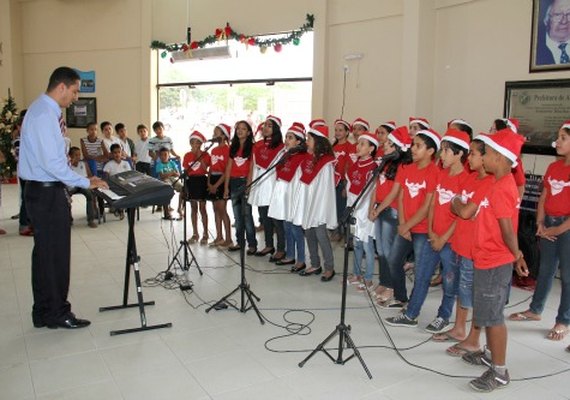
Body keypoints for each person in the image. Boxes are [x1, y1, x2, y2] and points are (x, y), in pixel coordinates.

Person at [18, 66, 108, 329]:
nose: (76, 97)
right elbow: (52, 164)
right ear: (61, 87)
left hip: (40, 190)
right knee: (56, 256)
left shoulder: (40, 110)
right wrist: (84, 182)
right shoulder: (45, 115)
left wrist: (80, 179)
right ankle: (58, 312)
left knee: (44, 255)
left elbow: (53, 161)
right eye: (75, 91)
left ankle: (43, 311)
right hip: (46, 193)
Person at [461, 128, 526, 393]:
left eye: (485, 153)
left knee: (494, 316)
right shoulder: (497, 183)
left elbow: (507, 229)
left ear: (499, 158)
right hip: (486, 256)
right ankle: (489, 354)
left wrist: (518, 255)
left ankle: (499, 372)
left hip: (495, 259)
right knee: (487, 313)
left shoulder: (502, 188)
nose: (482, 158)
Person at [386, 129, 470, 332]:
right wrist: (432, 231)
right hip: (433, 236)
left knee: (450, 280)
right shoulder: (441, 174)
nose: (442, 155)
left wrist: (443, 237)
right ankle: (411, 314)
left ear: (459, 154)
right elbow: (432, 205)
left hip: (450, 241)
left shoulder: (465, 180)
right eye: (441, 150)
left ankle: (443, 316)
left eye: (447, 151)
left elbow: (461, 217)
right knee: (422, 275)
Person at [508, 120, 570, 342]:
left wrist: (558, 228)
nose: (557, 142)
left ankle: (564, 320)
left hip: (566, 228)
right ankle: (535, 310)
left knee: (567, 278)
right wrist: (540, 223)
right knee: (544, 270)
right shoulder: (554, 167)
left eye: (563, 138)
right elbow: (544, 196)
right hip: (548, 226)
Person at [441, 137, 494, 354]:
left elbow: (463, 210)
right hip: (461, 243)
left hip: (475, 248)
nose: (468, 157)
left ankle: (473, 339)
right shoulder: (471, 178)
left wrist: (458, 203)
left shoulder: (489, 182)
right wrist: (458, 203)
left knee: (472, 293)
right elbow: (458, 204)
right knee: (461, 289)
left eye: (472, 154)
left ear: (486, 158)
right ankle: (459, 328)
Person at [382, 129, 440, 310]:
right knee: (394, 260)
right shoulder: (406, 168)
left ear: (430, 151)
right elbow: (401, 197)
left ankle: (413, 308)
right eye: (413, 145)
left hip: (422, 229)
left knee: (421, 271)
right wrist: (402, 224)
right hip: (405, 226)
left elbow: (427, 206)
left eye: (418, 146)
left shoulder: (434, 172)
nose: (412, 149)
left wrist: (407, 225)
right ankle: (401, 298)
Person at [368, 126, 413, 305]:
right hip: (380, 208)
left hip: (391, 211)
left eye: (389, 143)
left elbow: (394, 193)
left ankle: (392, 287)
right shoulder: (384, 163)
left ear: (398, 148)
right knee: (381, 250)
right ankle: (385, 282)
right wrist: (372, 207)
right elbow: (376, 187)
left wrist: (378, 210)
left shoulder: (402, 166)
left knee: (389, 252)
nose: (384, 145)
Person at [291, 124, 338, 281]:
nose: (307, 141)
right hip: (309, 203)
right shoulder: (309, 158)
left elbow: (325, 188)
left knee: (320, 234)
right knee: (309, 233)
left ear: (318, 141)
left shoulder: (326, 162)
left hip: (320, 205)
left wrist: (318, 206)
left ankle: (329, 267)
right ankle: (315, 264)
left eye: (309, 138)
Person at [268, 122, 308, 272]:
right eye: (286, 137)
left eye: (290, 137)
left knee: (295, 228)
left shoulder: (303, 157)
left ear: (298, 141)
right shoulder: (285, 154)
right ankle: (290, 254)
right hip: (283, 194)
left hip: (294, 195)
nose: (286, 140)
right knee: (286, 226)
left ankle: (301, 259)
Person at [248, 115, 286, 261]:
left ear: (275, 129)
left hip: (273, 184)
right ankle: (269, 245)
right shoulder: (257, 145)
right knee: (264, 217)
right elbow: (253, 165)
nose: (265, 127)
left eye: (269, 125)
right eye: (265, 125)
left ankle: (282, 249)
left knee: (276, 219)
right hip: (260, 184)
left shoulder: (281, 148)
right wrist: (249, 183)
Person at [346, 132, 380, 292]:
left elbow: (371, 192)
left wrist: (365, 209)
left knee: (367, 246)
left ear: (371, 148)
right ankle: (356, 274)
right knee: (356, 244)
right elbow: (350, 186)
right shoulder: (355, 164)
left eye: (362, 144)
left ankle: (368, 279)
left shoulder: (373, 168)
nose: (358, 147)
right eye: (358, 143)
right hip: (355, 209)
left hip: (365, 211)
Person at [224, 120, 258, 254]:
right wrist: (226, 187)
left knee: (247, 215)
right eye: (238, 128)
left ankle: (252, 244)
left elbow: (251, 168)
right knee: (237, 215)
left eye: (243, 129)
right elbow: (228, 167)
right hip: (233, 182)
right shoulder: (233, 146)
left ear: (249, 132)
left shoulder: (252, 147)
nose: (240, 131)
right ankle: (240, 242)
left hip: (245, 182)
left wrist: (248, 185)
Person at [182, 131, 211, 243]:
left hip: (201, 180)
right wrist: (185, 187)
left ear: (201, 144)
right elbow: (186, 171)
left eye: (197, 143)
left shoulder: (205, 155)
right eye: (192, 142)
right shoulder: (187, 155)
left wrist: (199, 156)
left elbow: (205, 169)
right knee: (193, 208)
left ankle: (205, 233)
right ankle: (195, 233)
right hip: (191, 181)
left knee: (202, 208)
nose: (195, 145)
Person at [207, 123, 232, 247]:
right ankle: (219, 237)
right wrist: (209, 182)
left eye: (216, 132)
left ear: (224, 135)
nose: (214, 134)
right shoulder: (213, 150)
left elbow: (227, 170)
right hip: (213, 179)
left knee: (222, 210)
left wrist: (217, 185)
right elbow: (211, 167)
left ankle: (229, 239)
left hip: (222, 180)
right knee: (215, 209)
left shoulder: (228, 149)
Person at [331, 119, 356, 242]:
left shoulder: (350, 147)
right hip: (331, 182)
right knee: (333, 208)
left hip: (342, 183)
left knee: (342, 208)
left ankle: (342, 233)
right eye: (336, 130)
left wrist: (346, 186)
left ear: (347, 132)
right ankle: (335, 230)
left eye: (341, 130)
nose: (338, 132)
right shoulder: (333, 146)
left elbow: (349, 167)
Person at [67, 146, 98, 228]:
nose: (78, 157)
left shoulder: (83, 164)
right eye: (76, 155)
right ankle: (69, 220)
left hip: (83, 185)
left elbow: (90, 176)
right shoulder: (68, 166)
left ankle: (90, 220)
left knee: (89, 194)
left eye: (79, 155)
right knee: (66, 197)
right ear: (70, 156)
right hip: (72, 186)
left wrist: (89, 180)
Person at [536, 0, 570, 66]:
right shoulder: (534, 49)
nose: (564, 21)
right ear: (546, 19)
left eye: (569, 14)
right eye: (557, 15)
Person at [156, 147, 184, 220]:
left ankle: (179, 208)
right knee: (167, 189)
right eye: (161, 155)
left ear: (169, 155)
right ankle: (166, 213)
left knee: (184, 189)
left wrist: (170, 174)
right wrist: (172, 172)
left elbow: (178, 174)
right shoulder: (159, 164)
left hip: (174, 180)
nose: (163, 157)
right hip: (164, 180)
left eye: (165, 155)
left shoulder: (172, 163)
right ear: (159, 156)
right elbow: (162, 176)